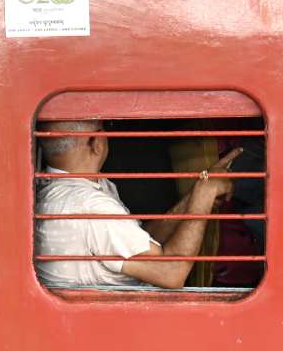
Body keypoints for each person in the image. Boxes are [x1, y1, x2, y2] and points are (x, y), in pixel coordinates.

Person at [34, 120, 241, 289]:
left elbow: (140, 242)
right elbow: (172, 273)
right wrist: (205, 194)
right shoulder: (90, 207)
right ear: (96, 142)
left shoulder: (62, 189)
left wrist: (196, 193)